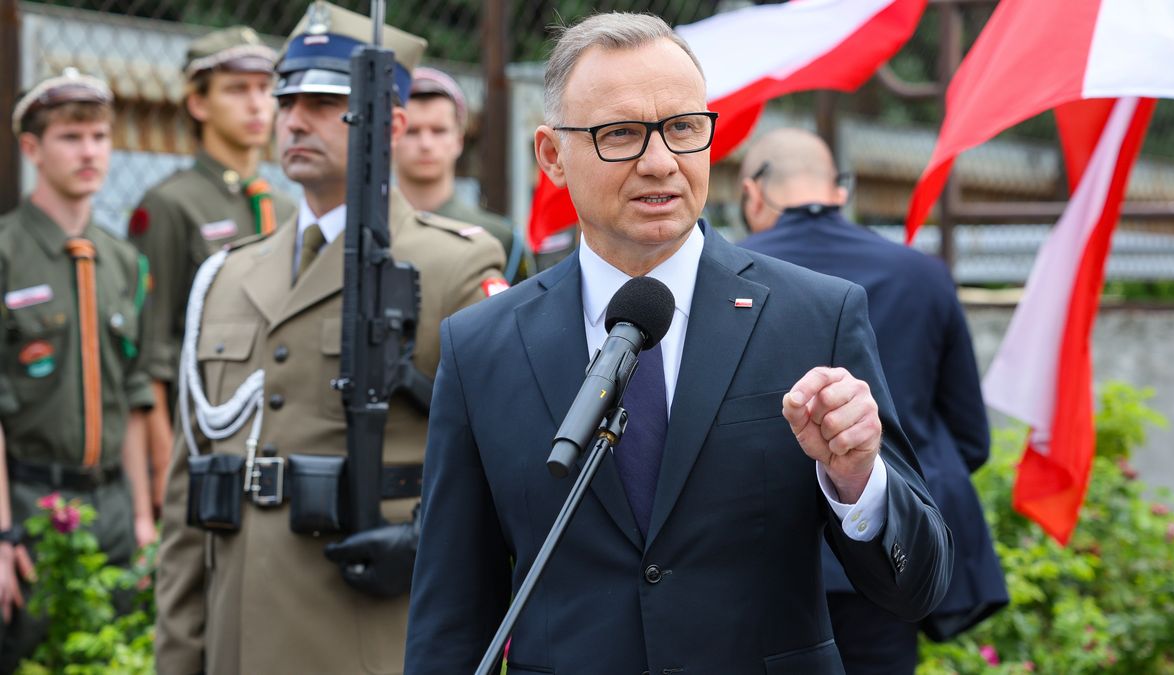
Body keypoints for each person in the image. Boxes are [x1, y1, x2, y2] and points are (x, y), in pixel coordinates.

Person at [405, 13, 953, 674]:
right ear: (551, 156)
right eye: (620, 134)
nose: (660, 162)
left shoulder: (815, 316)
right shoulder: (482, 347)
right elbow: (452, 616)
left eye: (684, 128)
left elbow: (917, 586)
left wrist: (858, 479)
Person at [153, 3, 506, 674]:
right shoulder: (227, 275)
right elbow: (187, 499)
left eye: (323, 103)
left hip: (366, 637)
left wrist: (425, 540)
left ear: (390, 122)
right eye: (286, 101)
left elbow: (506, 462)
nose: (294, 120)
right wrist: (179, 655)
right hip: (235, 640)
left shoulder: (452, 266)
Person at [738, 127, 1008, 673]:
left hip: (762, 566)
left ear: (752, 194)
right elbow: (970, 437)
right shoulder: (922, 275)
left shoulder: (728, 280)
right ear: (840, 189)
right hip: (889, 562)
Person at [0, 70, 156, 672]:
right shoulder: (7, 253)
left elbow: (134, 394)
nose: (89, 152)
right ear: (32, 148)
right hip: (29, 501)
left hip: (112, 505)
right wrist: (3, 533)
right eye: (70, 137)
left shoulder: (125, 262)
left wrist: (141, 519)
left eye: (99, 136)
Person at [128, 26, 296, 512]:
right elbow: (153, 354)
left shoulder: (287, 207)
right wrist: (169, 474)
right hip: (203, 437)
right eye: (236, 89)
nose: (257, 104)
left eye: (264, 88)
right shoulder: (169, 204)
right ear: (198, 104)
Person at [396, 67, 521, 275]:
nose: (426, 144)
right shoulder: (361, 231)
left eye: (439, 131)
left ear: (459, 140)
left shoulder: (500, 237)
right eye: (411, 131)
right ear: (392, 137)